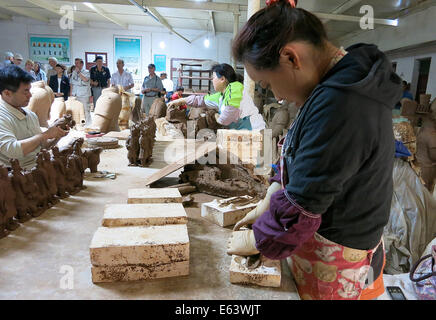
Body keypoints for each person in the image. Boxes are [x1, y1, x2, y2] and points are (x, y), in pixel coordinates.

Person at [227, 0, 403, 300]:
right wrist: (274, 192)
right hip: (343, 237)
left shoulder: (342, 102)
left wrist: (261, 237)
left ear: (291, 57)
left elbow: (305, 203)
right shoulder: (339, 82)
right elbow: (306, 155)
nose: (278, 97)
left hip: (337, 253)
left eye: (268, 84)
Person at [0, 65, 68, 170]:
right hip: (15, 174)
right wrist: (45, 135)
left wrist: (58, 135)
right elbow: (12, 150)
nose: (30, 95)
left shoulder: (30, 115)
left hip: (37, 166)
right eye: (25, 91)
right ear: (7, 93)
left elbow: (43, 146)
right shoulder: (2, 116)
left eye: (30, 90)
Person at [168, 63, 252, 130]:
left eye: (213, 77)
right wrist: (180, 101)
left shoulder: (235, 89)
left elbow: (226, 118)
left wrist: (215, 116)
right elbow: (201, 100)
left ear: (222, 79)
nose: (212, 80)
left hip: (246, 136)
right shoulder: (221, 95)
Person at [71, 58, 92, 126]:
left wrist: (78, 73)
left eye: (77, 63)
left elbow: (85, 79)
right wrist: (71, 94)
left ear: (82, 64)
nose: (76, 64)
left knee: (86, 110)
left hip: (84, 95)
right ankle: (79, 124)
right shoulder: (74, 72)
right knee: (77, 110)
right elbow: (72, 83)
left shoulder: (86, 72)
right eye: (75, 63)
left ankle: (88, 125)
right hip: (76, 94)